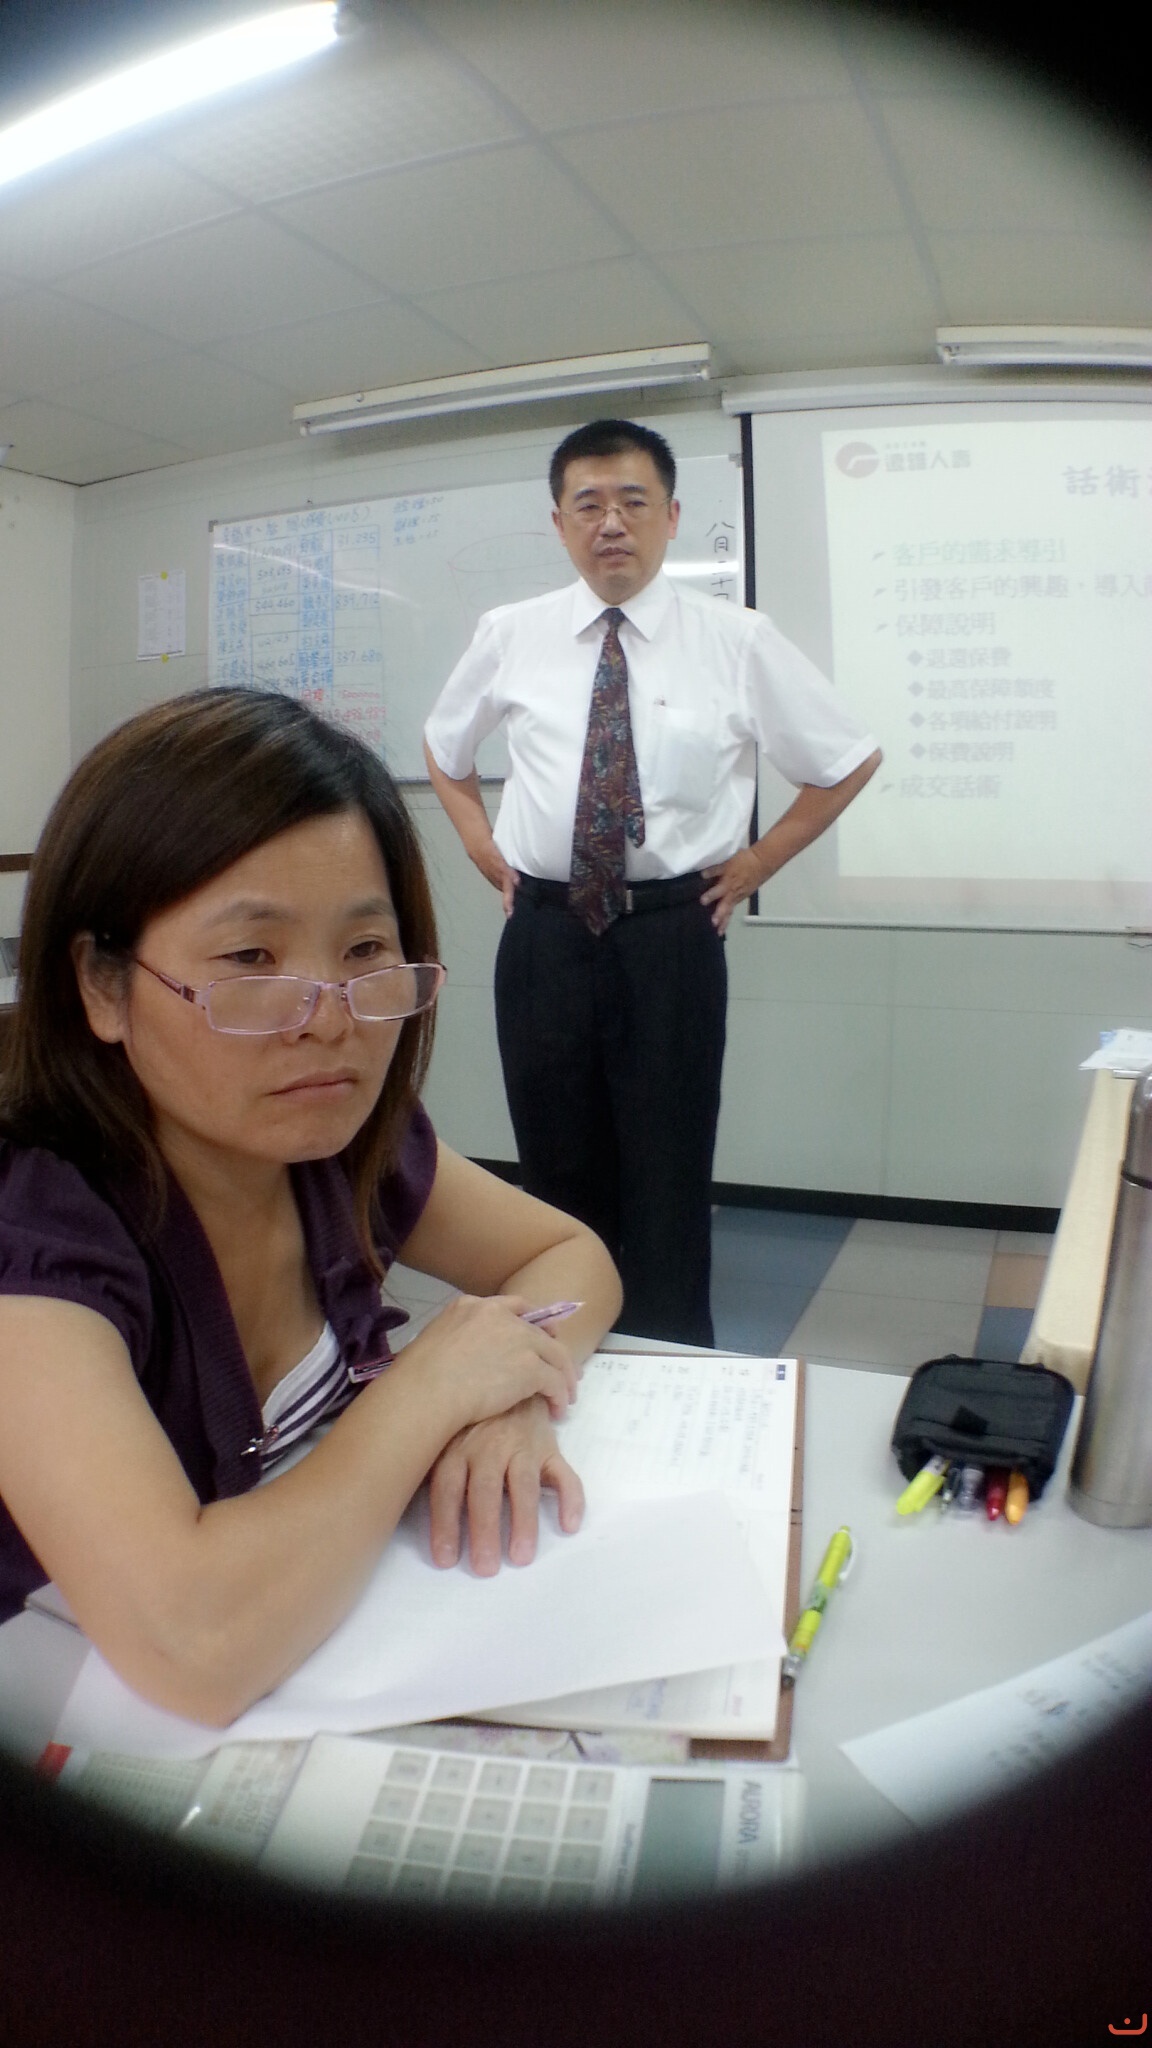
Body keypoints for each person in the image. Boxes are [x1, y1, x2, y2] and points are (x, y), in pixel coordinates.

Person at [0, 687, 621, 1726]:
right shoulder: (39, 1242)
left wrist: (508, 1394)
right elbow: (192, 1646)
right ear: (103, 986)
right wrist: (429, 1391)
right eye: (251, 959)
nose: (330, 1021)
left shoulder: (336, 1147)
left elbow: (569, 1254)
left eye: (366, 952)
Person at [423, 419, 881, 1346]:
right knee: (555, 1167)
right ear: (559, 523)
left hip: (672, 935)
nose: (612, 523)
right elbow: (443, 747)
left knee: (668, 1170)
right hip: (544, 934)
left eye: (633, 502)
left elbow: (846, 759)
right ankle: (565, 1356)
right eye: (588, 504)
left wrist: (759, 861)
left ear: (671, 517)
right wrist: (478, 841)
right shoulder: (510, 634)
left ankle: (675, 1360)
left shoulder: (737, 639)